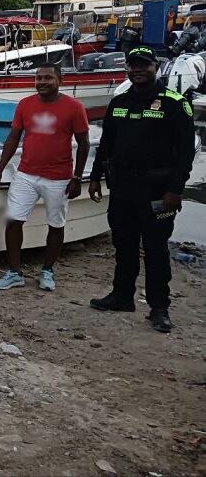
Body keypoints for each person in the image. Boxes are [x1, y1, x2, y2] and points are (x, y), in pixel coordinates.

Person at [88, 45, 195, 333]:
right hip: (122, 187)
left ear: (155, 66)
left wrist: (176, 190)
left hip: (158, 190)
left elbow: (186, 153)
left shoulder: (174, 103)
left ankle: (159, 308)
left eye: (143, 65)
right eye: (132, 65)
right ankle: (122, 296)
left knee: (156, 249)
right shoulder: (119, 102)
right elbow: (106, 144)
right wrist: (96, 176)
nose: (137, 70)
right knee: (123, 244)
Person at [0, 63, 90, 291]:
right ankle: (14, 272)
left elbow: (83, 144)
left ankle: (47, 271)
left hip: (59, 177)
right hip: (26, 174)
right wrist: (0, 168)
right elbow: (13, 138)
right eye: (39, 78)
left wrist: (77, 178)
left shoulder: (74, 107)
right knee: (13, 221)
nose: (42, 82)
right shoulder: (25, 104)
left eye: (48, 78)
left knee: (56, 224)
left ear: (60, 80)